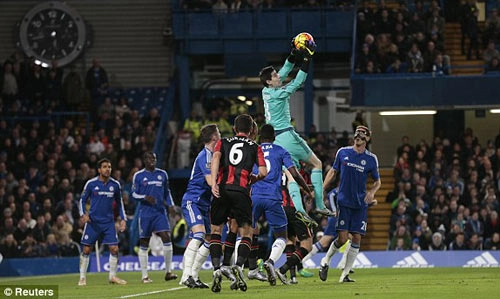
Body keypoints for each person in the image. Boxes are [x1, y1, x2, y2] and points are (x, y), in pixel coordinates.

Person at [259, 37, 333, 217]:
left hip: (277, 140)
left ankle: (299, 210)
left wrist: (293, 54)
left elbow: (285, 70)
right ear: (270, 81)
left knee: (291, 175)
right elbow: (298, 82)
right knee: (316, 163)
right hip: (287, 135)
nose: (279, 76)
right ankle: (318, 205)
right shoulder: (279, 94)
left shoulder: (266, 90)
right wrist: (307, 59)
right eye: (275, 76)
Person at [209, 114, 267, 293]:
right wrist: (253, 179)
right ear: (251, 130)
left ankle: (218, 268)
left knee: (216, 230)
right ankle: (239, 266)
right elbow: (264, 172)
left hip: (222, 189)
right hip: (241, 191)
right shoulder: (255, 147)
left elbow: (216, 158)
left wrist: (213, 182)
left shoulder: (223, 142)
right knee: (247, 232)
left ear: (235, 128)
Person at [251, 124, 314, 286]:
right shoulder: (284, 156)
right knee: (306, 243)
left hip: (258, 197)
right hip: (287, 205)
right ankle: (280, 268)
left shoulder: (254, 151)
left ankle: (290, 276)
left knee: (289, 241)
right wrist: (308, 190)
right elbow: (294, 177)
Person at [320, 125, 381, 283]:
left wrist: (372, 192)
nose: (359, 137)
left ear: (367, 139)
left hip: (360, 204)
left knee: (357, 237)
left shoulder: (371, 159)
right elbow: (333, 172)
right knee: (342, 239)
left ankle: (345, 274)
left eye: (362, 135)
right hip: (344, 202)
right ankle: (325, 261)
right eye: (357, 135)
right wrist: (322, 189)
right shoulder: (343, 152)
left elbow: (377, 181)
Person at [179, 124, 221, 288]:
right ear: (214, 138)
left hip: (204, 204)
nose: (220, 136)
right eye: (218, 133)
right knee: (199, 234)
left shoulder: (213, 155)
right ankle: (185, 276)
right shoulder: (205, 156)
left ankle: (194, 276)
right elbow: (211, 182)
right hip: (193, 201)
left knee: (209, 239)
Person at [78, 158, 127, 286]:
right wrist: (83, 214)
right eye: (105, 167)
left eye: (109, 167)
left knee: (114, 249)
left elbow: (120, 203)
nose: (108, 169)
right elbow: (82, 200)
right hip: (93, 222)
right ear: (99, 170)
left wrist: (123, 219)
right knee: (87, 249)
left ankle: (112, 276)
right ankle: (82, 278)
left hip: (108, 223)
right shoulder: (91, 183)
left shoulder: (115, 185)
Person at [131, 151, 178, 283]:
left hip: (159, 213)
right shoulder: (138, 176)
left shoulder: (162, 174)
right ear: (144, 160)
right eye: (149, 158)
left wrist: (171, 204)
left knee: (166, 237)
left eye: (154, 158)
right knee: (144, 242)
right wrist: (144, 197)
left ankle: (168, 272)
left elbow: (167, 192)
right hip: (145, 213)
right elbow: (133, 194)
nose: (152, 160)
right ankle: (144, 276)